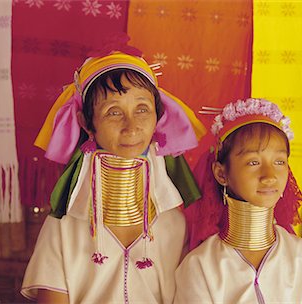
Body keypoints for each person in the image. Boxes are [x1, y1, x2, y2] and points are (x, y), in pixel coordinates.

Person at [20, 47, 205, 303]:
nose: (131, 126)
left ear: (158, 116)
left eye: (142, 109)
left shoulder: (176, 224)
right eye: (113, 112)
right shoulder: (64, 224)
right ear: (86, 123)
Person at [175, 98, 302, 303]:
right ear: (221, 174)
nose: (270, 176)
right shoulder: (201, 266)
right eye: (253, 162)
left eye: (279, 162)